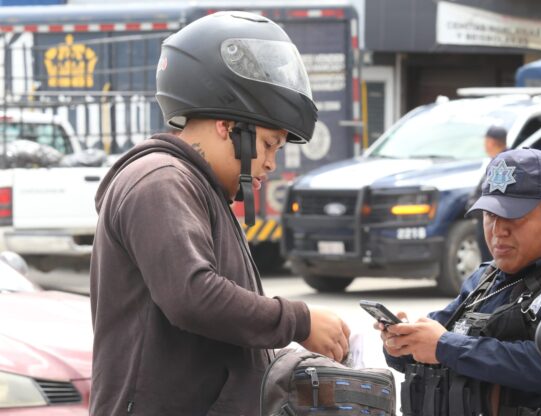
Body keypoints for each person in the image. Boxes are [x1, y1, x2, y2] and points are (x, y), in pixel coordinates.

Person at [89, 12, 350, 415]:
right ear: (228, 127)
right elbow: (194, 297)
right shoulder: (161, 182)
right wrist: (300, 322)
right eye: (268, 144)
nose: (270, 164)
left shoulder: (195, 185)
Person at [375, 148, 541, 415]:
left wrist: (445, 346)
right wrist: (402, 342)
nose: (498, 231)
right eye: (490, 215)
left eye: (514, 217)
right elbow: (435, 340)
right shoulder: (484, 279)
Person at [472, 125, 508, 262]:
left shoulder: (502, 163)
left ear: (490, 142)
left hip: (494, 224)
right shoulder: (500, 160)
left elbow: (496, 199)